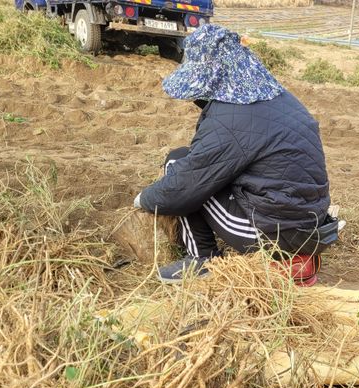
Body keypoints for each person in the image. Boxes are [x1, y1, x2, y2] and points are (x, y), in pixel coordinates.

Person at [134, 24, 337, 285]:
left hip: (277, 234)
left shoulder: (231, 118)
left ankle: (202, 259)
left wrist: (143, 199)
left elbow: (182, 189)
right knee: (202, 169)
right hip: (313, 223)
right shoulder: (280, 98)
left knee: (178, 165)